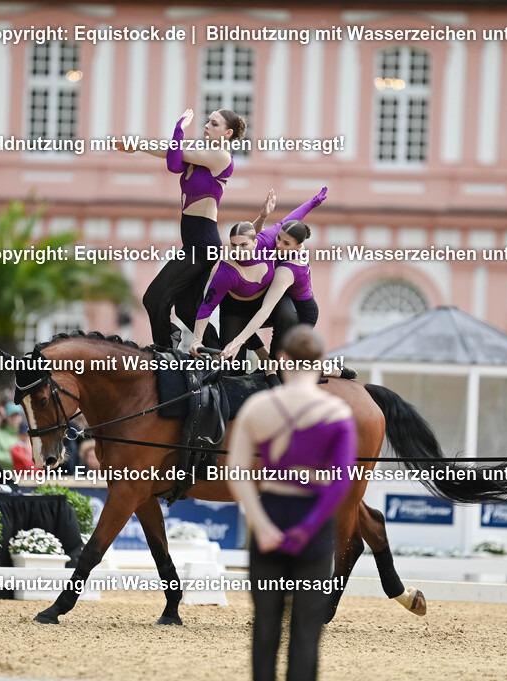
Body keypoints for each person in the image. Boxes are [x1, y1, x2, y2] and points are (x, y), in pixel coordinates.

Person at [226, 326, 419, 681]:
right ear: (322, 365)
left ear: (281, 360)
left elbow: (237, 472)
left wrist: (263, 525)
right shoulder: (336, 413)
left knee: (265, 631)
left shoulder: (257, 406)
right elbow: (341, 481)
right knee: (306, 634)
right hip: (311, 528)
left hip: (269, 518)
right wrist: (308, 528)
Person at [118, 108, 245, 348]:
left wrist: (179, 128)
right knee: (187, 311)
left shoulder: (221, 157)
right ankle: (222, 358)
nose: (207, 125)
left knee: (154, 297)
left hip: (203, 244)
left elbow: (174, 160)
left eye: (214, 123)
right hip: (193, 242)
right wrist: (138, 146)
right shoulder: (199, 157)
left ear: (227, 133)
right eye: (208, 121)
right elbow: (174, 159)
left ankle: (165, 353)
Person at [192, 189, 327, 366]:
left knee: (287, 314)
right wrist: (196, 340)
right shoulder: (226, 271)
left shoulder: (270, 242)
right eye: (234, 245)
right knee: (233, 368)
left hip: (263, 305)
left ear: (255, 242)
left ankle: (273, 364)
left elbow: (291, 219)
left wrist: (311, 203)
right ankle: (260, 354)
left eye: (244, 245)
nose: (238, 251)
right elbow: (207, 306)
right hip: (236, 310)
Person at [0, 402, 24, 469]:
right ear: (6, 417)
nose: (15, 418)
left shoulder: (25, 435)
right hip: (2, 476)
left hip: (24, 476)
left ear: (21, 417)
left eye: (17, 415)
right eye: (12, 415)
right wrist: (18, 458)